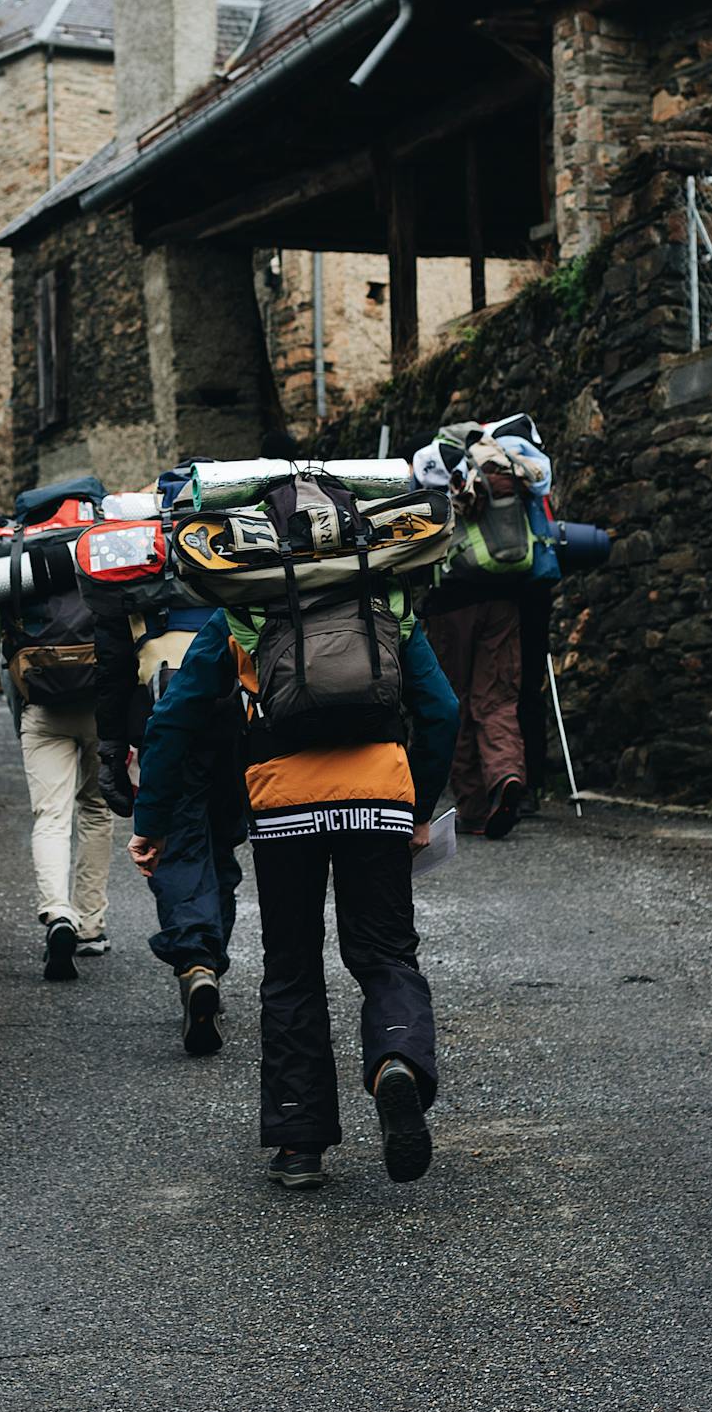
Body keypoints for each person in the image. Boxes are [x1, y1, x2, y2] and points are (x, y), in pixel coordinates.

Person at [127, 590, 458, 1190]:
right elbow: (442, 709)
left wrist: (151, 823)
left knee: (291, 966)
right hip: (380, 794)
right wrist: (419, 806)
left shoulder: (243, 610)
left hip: (284, 805)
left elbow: (175, 716)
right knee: (385, 954)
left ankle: (298, 1141)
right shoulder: (384, 603)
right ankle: (395, 1061)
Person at [94, 601, 246, 1054]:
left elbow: (114, 668)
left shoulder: (134, 562)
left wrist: (110, 753)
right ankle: (209, 965)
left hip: (166, 703)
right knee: (221, 845)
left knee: (179, 845)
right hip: (239, 706)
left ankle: (196, 960)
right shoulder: (239, 542)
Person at [416, 427, 550, 840]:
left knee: (455, 700)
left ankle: (473, 809)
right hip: (504, 601)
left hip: (451, 606)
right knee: (497, 699)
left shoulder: (432, 461)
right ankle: (507, 777)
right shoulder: (499, 460)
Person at [0, 570, 113, 983]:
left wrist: (23, 724)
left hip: (43, 707)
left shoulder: (25, 571)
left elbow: (5, 663)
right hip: (98, 707)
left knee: (51, 816)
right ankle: (90, 925)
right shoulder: (99, 559)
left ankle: (58, 913)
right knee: (96, 810)